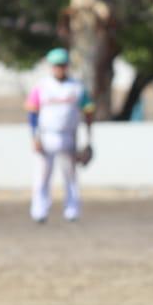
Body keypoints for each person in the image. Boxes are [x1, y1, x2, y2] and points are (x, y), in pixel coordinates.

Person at [26, 47, 94, 223]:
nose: (59, 68)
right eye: (56, 65)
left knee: (70, 175)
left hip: (68, 135)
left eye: (62, 65)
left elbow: (88, 111)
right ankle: (39, 211)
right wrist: (34, 137)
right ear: (51, 66)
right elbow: (32, 113)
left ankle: (72, 210)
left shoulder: (77, 87)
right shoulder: (41, 87)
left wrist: (88, 139)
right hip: (46, 135)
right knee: (42, 175)